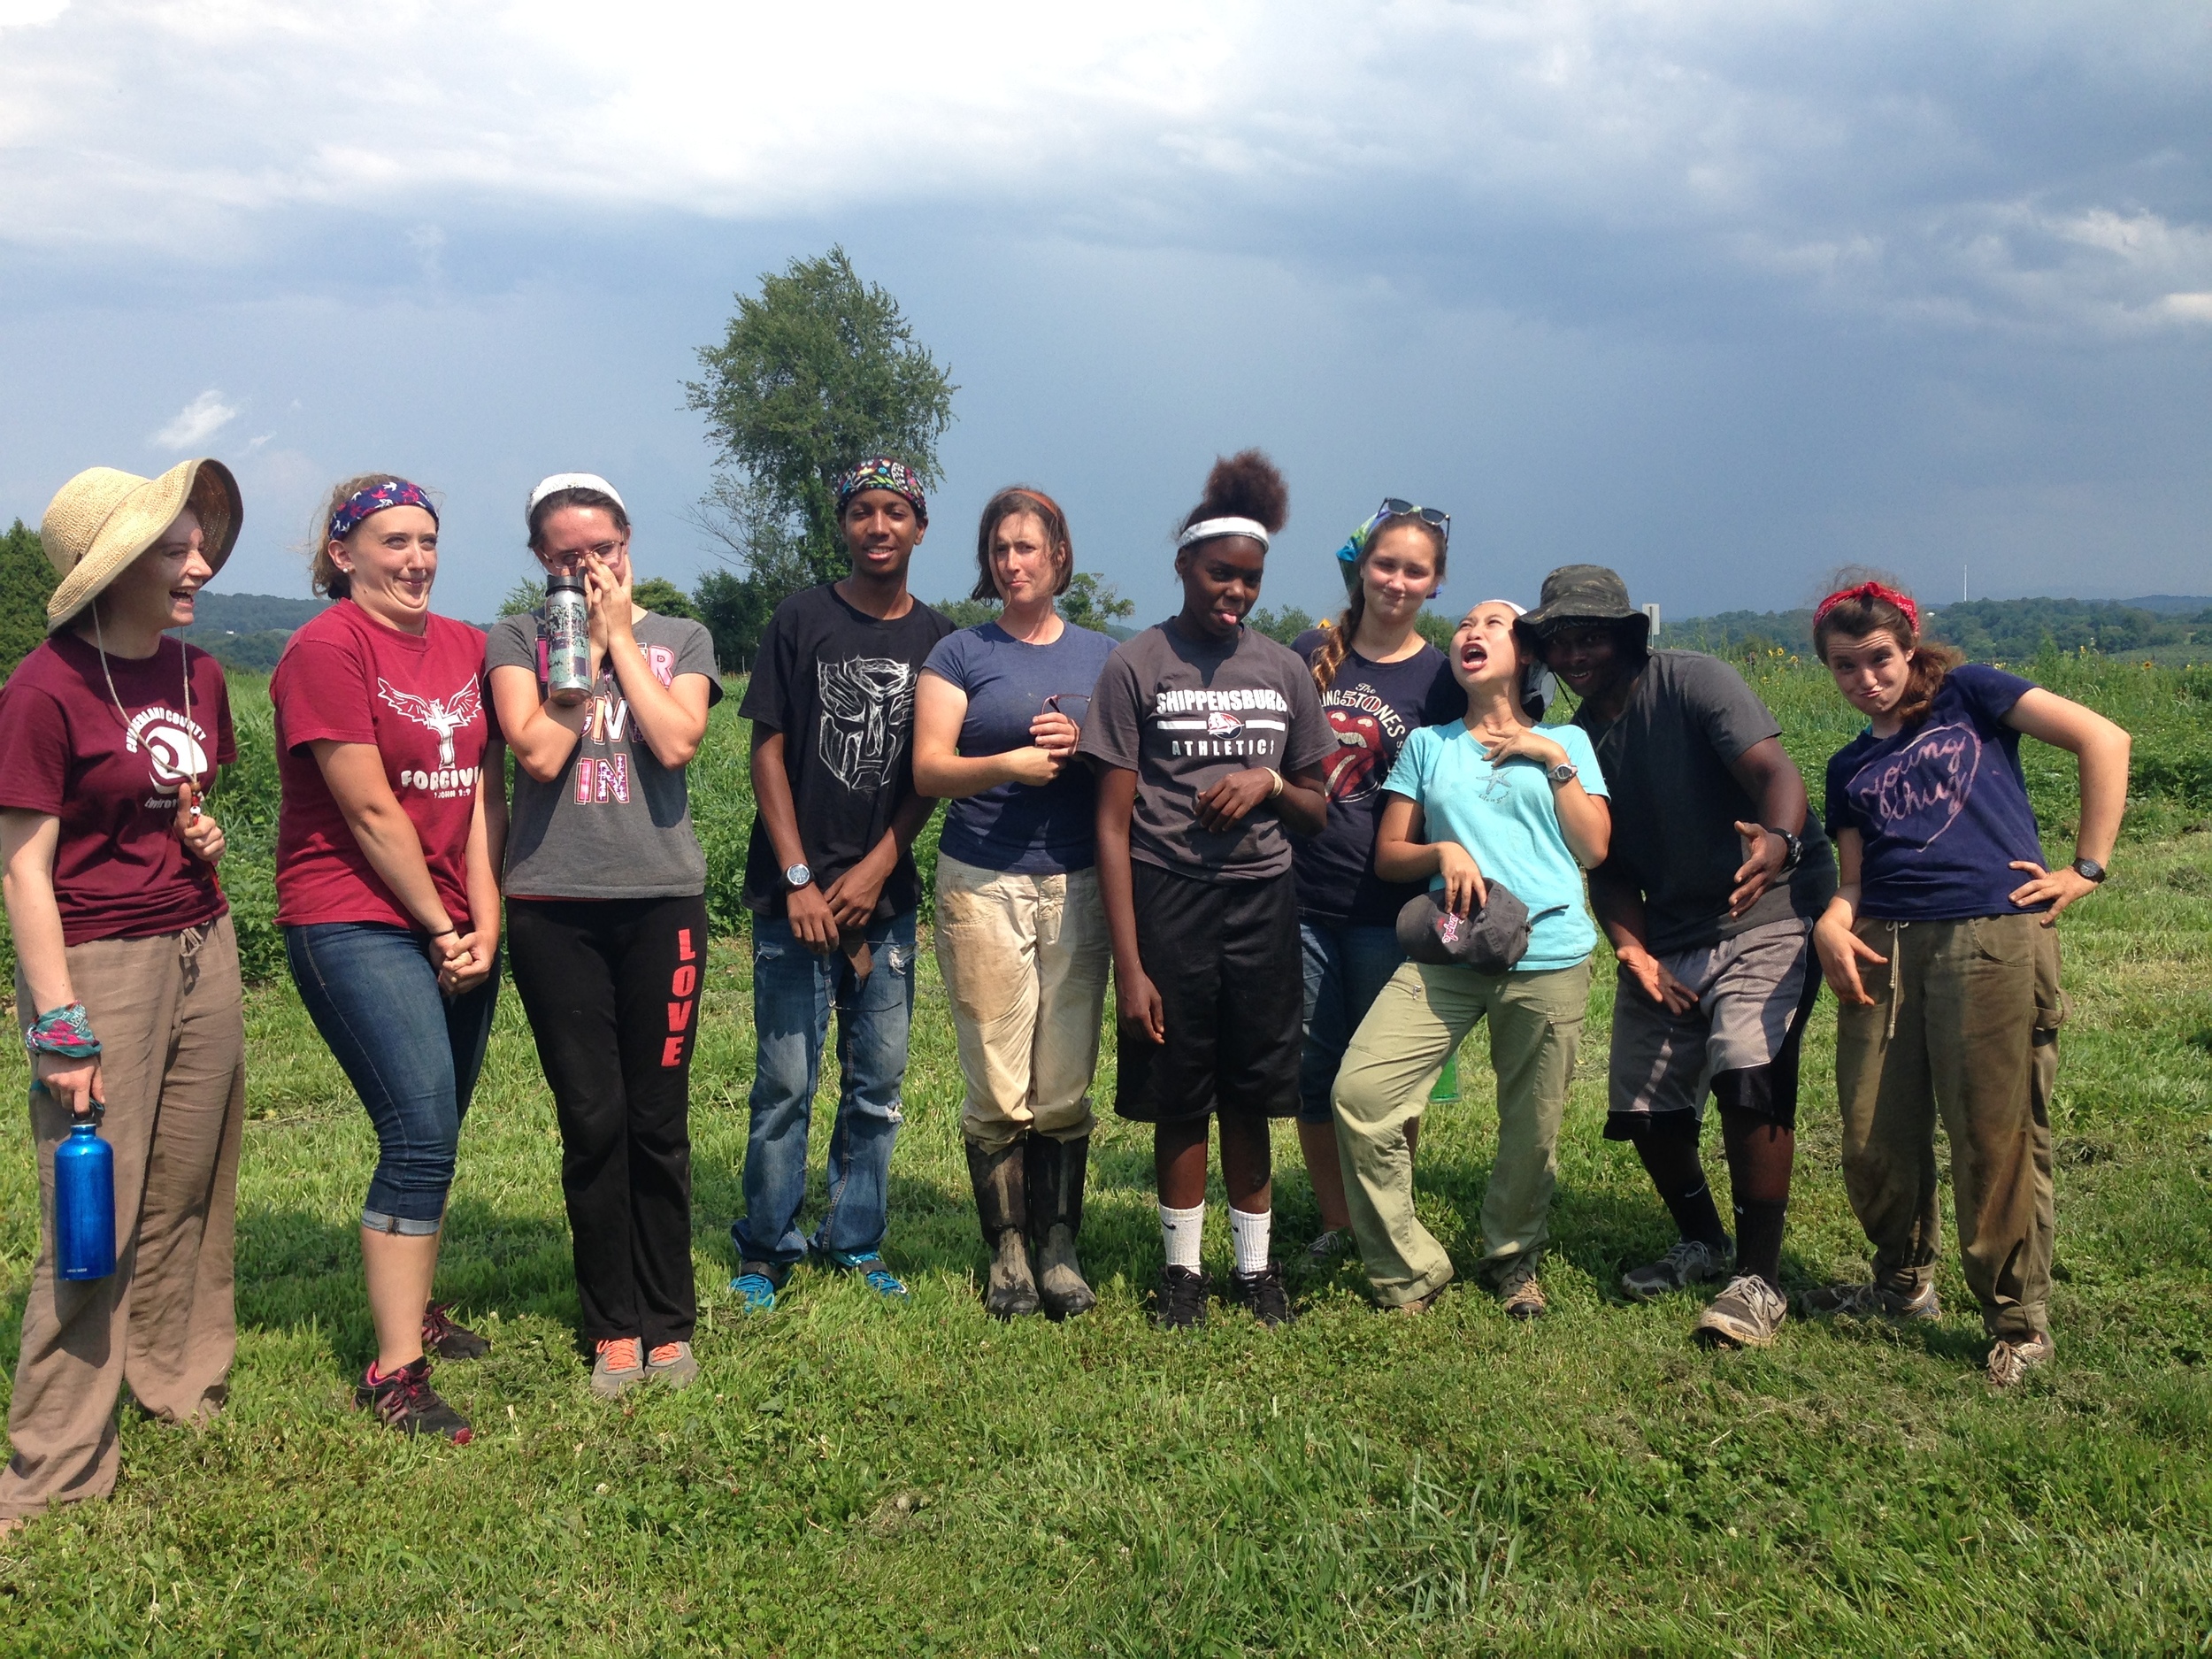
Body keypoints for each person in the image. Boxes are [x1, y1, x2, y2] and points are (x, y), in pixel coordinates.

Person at [0, 460, 244, 1533]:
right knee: (89, 1205)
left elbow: (178, 799)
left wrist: (199, 833)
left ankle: (177, 1382)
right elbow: (21, 869)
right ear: (114, 570)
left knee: (194, 1179)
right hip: (99, 963)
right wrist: (59, 1026)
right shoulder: (42, 689)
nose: (197, 564)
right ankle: (53, 1463)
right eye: (173, 550)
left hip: (203, 939)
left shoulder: (199, 675)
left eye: (196, 544)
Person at [1809, 579, 2128, 1387]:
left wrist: (2086, 865)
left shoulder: (1971, 695)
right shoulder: (1847, 765)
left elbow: (2104, 738)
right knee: (1871, 1133)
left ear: (1908, 646)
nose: (1865, 678)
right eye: (1844, 666)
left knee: (1995, 1133)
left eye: (1878, 657)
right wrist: (1831, 923)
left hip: (1989, 932)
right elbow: (1852, 879)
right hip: (1884, 945)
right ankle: (1902, 1283)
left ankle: (2018, 1323)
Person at [1530, 565, 1837, 1349]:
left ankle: (1759, 1281)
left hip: (1764, 907)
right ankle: (1704, 1239)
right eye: (1558, 639)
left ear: (1627, 635)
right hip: (1664, 931)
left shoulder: (1696, 682)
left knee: (1748, 1072)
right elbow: (1608, 866)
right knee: (1645, 1108)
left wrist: (1778, 840)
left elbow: (1775, 773)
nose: (1574, 653)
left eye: (1590, 634)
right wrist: (1629, 949)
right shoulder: (1574, 743)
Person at [1079, 450, 1333, 1331]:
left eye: (1250, 579)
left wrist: (1267, 784)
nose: (1235, 592)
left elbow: (1316, 804)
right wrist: (1131, 965)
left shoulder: (1283, 671)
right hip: (1168, 899)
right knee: (1179, 1092)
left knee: (1253, 1091)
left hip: (1263, 902)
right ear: (1183, 566)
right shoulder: (1136, 665)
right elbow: (1110, 825)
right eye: (1220, 573)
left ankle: (1255, 1271)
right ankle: (1182, 1272)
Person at [273, 475, 503, 1441]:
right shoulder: (325, 649)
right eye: (392, 542)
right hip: (351, 916)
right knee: (416, 1130)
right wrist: (440, 926)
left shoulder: (465, 646)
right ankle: (391, 1369)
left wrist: (486, 920)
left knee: (438, 1126)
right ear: (343, 554)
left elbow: (482, 793)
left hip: (456, 918)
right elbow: (368, 809)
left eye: (427, 540)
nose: (415, 559)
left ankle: (416, 1310)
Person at [489, 474, 720, 1396]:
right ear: (541, 560)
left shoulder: (680, 638)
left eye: (605, 550)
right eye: (567, 555)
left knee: (658, 1120)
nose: (590, 566)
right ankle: (611, 1326)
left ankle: (669, 1323)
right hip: (555, 905)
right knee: (592, 1121)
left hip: (662, 901)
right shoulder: (515, 638)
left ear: (630, 544)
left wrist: (618, 636)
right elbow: (538, 752)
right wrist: (573, 649)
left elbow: (675, 742)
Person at [1330, 601, 1609, 1317]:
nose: (1471, 633)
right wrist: (1443, 849)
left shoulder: (1568, 738)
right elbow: (1391, 856)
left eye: (1494, 623)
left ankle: (1514, 1259)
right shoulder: (1430, 744)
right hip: (1449, 953)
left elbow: (1594, 848)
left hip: (1547, 955)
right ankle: (1407, 1267)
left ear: (1528, 655)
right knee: (1360, 1096)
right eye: (1464, 625)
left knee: (1531, 1126)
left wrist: (1552, 760)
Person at [731, 457, 953, 1312]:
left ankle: (855, 1234)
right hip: (793, 900)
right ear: (844, 526)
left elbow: (927, 777)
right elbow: (767, 753)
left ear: (919, 527)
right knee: (785, 1080)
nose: (879, 527)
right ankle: (767, 1243)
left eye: (895, 512)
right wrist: (800, 879)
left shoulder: (938, 639)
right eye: (863, 511)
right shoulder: (801, 619)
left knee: (878, 1082)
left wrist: (876, 867)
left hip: (883, 904)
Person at [913, 488, 1117, 1319]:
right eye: (1000, 548)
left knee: (1064, 1078)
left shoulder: (1108, 656)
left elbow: (1129, 764)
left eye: (1028, 548)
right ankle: (1007, 1252)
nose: (1013, 562)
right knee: (998, 1084)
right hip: (982, 882)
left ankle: (1058, 1245)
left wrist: (1085, 747)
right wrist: (1008, 763)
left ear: (1059, 556)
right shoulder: (959, 653)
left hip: (1080, 882)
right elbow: (930, 769)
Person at [1289, 501, 1461, 1263]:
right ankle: (1339, 1222)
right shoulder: (1308, 652)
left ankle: (1389, 1216)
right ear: (1361, 566)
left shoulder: (1444, 675)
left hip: (1395, 906)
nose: (1396, 580)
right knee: (1312, 1067)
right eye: (1385, 564)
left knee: (1392, 1074)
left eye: (1414, 569)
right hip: (1301, 897)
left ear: (1435, 582)